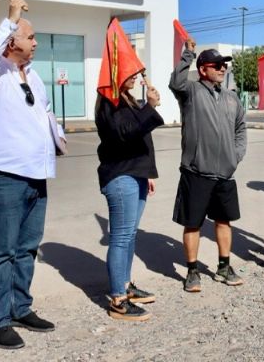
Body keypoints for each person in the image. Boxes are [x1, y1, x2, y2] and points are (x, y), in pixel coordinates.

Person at [0, 0, 64, 350]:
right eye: (31, 36)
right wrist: (9, 18)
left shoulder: (34, 77)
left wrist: (56, 135)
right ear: (11, 42)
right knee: (3, 249)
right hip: (2, 175)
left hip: (35, 173)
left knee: (27, 247)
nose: (36, 42)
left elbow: (44, 113)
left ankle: (20, 306)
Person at [169, 44, 247, 293]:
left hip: (224, 172)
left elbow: (240, 128)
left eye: (225, 65)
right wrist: (187, 55)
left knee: (224, 221)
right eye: (217, 65)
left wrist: (235, 156)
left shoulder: (231, 97)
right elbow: (176, 81)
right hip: (196, 171)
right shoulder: (190, 91)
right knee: (193, 223)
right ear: (203, 70)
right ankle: (192, 271)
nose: (223, 68)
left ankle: (224, 266)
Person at [95, 72, 164, 321]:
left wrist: (147, 173)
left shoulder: (127, 99)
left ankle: (125, 285)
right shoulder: (109, 101)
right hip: (121, 175)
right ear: (116, 73)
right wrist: (150, 107)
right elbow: (125, 134)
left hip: (136, 174)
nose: (135, 76)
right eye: (129, 71)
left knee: (129, 234)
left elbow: (140, 138)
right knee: (122, 237)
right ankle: (118, 300)